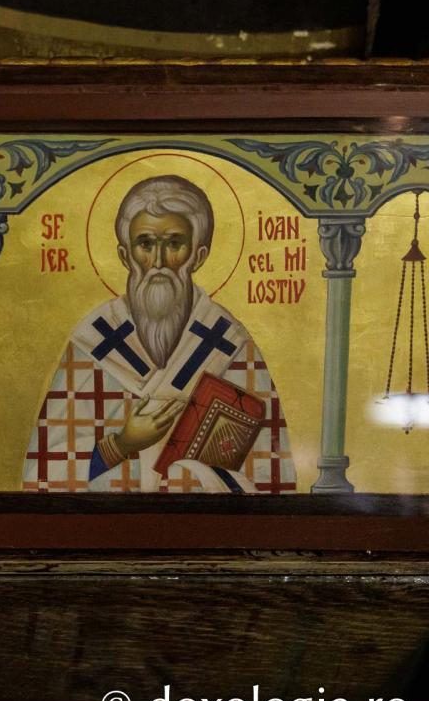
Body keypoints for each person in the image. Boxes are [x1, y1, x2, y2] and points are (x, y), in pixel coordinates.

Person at [23, 175, 294, 493]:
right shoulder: (93, 341)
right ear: (126, 255)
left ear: (198, 256)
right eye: (146, 244)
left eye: (174, 244)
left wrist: (192, 477)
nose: (159, 262)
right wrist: (121, 444)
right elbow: (44, 475)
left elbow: (270, 473)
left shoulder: (230, 343)